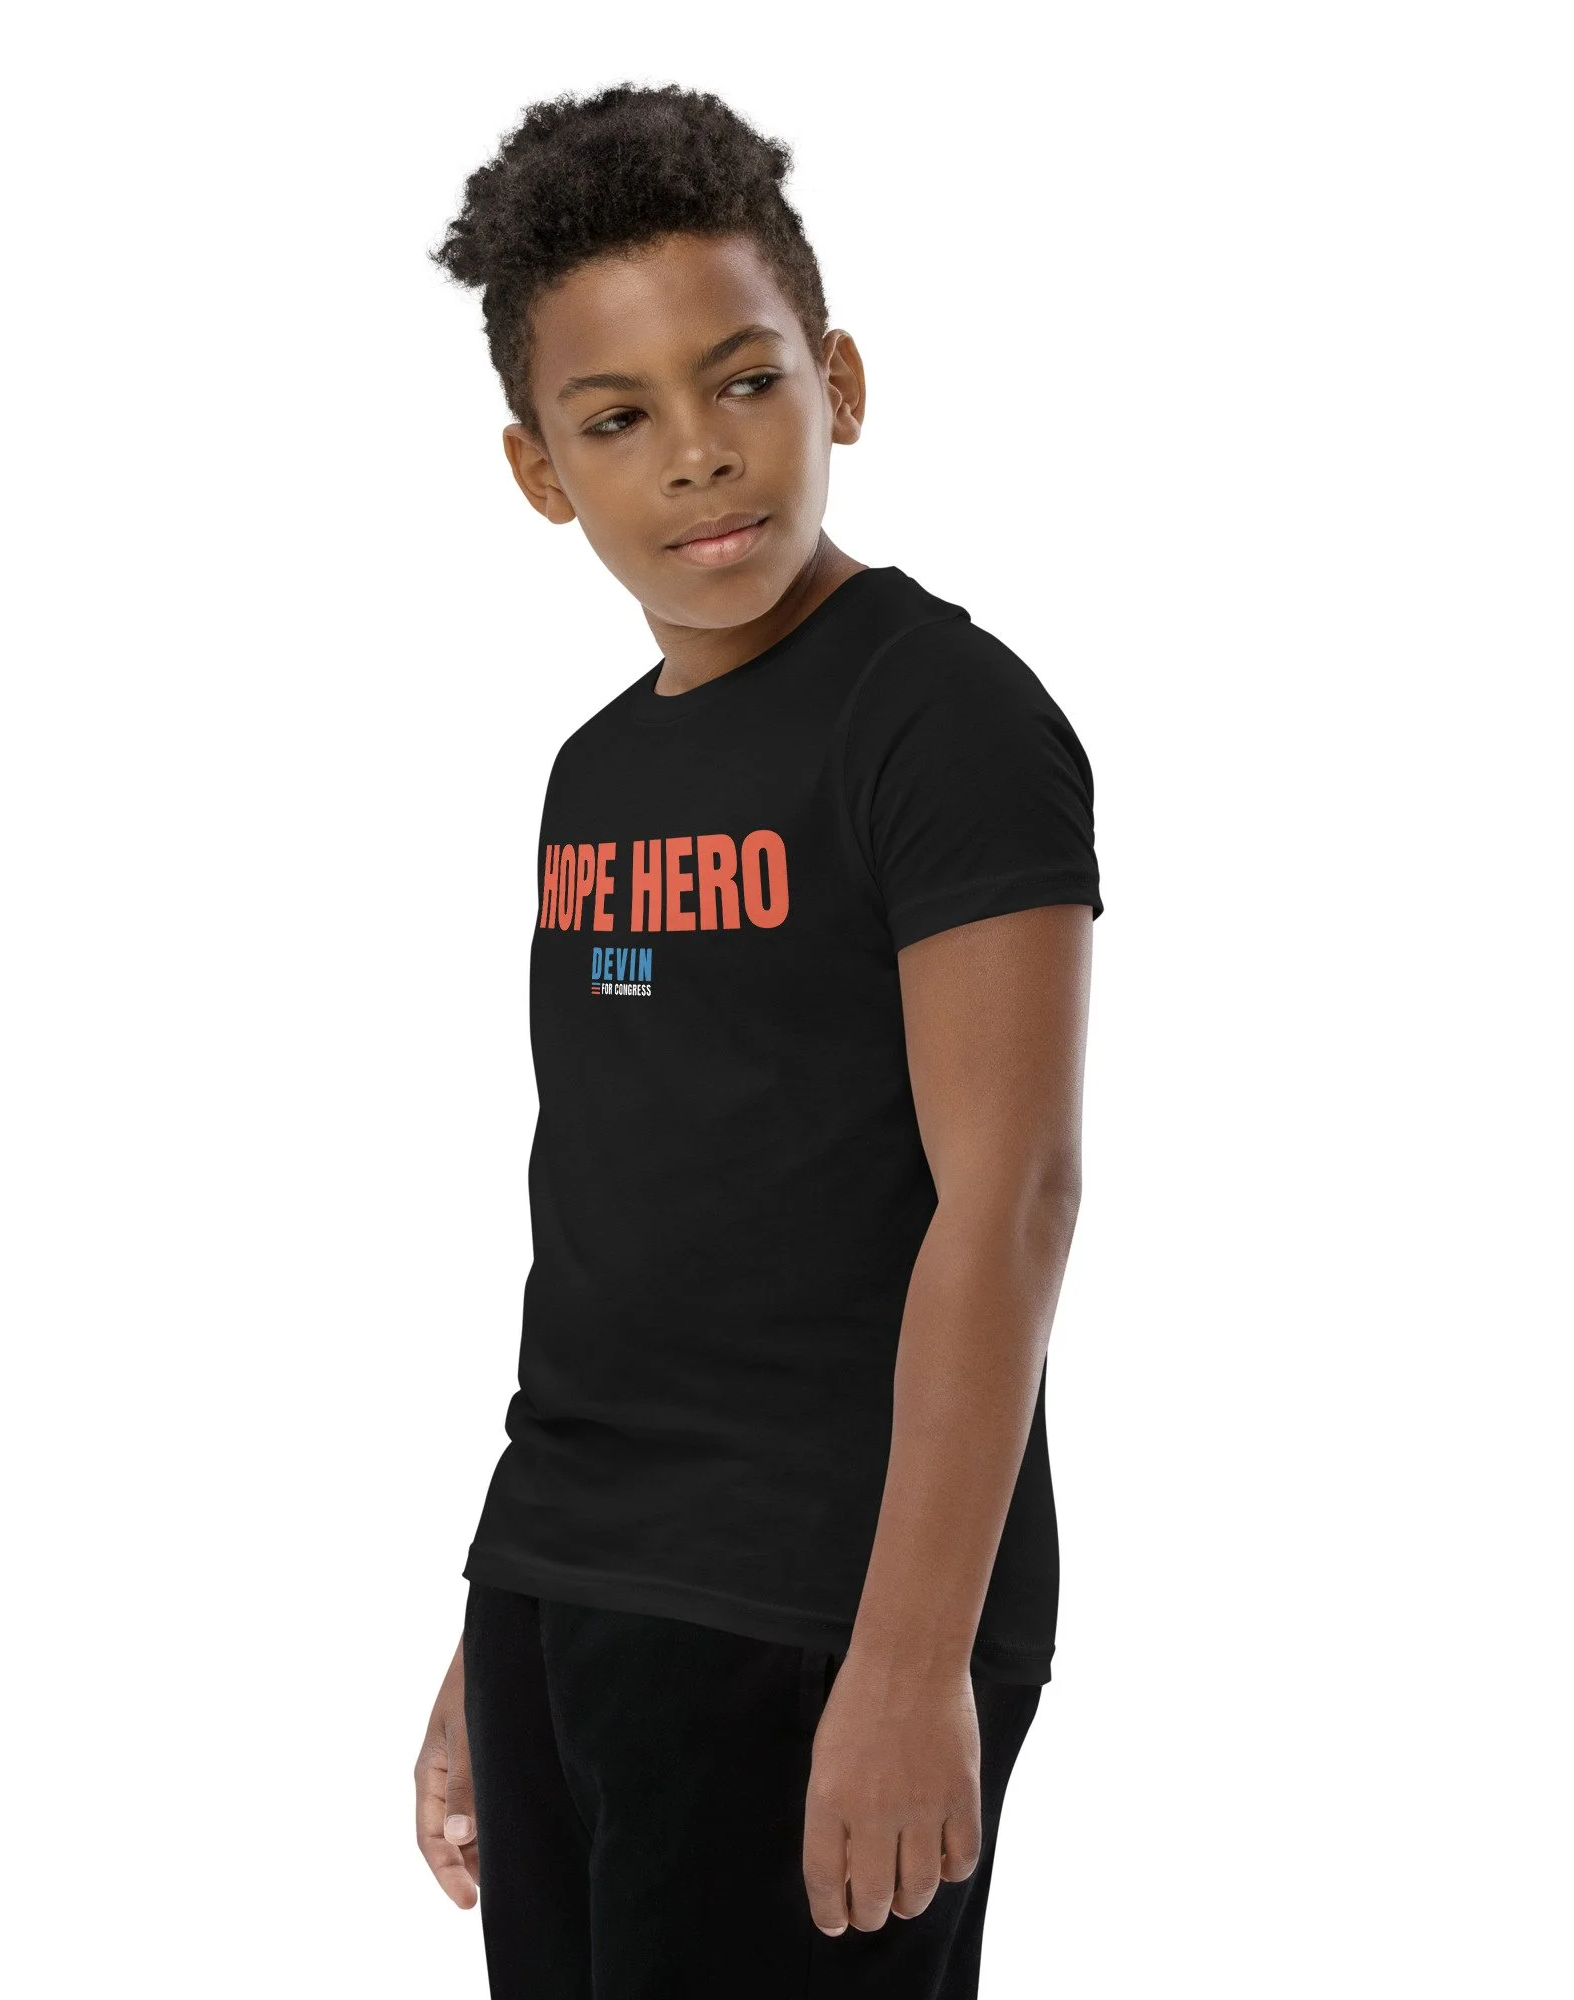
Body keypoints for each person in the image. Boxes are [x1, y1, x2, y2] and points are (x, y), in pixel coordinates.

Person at [413, 82, 1100, 1999]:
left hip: (820, 1609)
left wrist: (913, 1663)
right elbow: (617, 1227)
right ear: (541, 470)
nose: (700, 455)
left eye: (743, 382)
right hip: (574, 1580)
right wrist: (499, 1620)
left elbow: (1012, 1199)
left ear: (838, 382)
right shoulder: (595, 774)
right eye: (618, 418)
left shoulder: (939, 718)